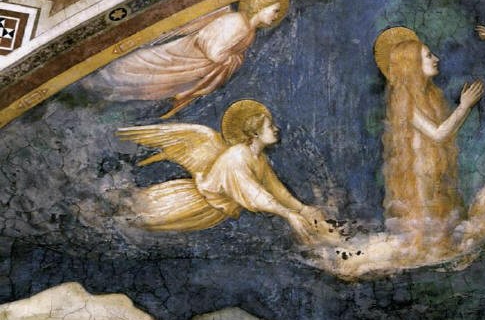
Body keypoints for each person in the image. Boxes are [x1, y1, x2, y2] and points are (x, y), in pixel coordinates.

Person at [117, 99, 331, 244]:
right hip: (188, 202)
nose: (276, 129)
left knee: (139, 227)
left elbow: (275, 190)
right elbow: (254, 194)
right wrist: (288, 214)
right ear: (255, 133)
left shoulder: (258, 158)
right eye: (270, 126)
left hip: (208, 213)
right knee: (131, 217)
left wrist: (302, 209)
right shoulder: (237, 156)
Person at [87, 0, 290, 118]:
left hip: (191, 69)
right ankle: (95, 85)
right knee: (135, 70)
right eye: (274, 10)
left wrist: (234, 58)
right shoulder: (236, 21)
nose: (276, 16)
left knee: (147, 87)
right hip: (179, 57)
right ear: (260, 5)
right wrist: (232, 58)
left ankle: (102, 97)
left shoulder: (250, 33)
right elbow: (212, 50)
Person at [373, 27, 484, 251]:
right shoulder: (405, 100)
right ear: (412, 64)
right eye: (428, 55)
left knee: (442, 225)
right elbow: (439, 134)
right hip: (419, 174)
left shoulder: (428, 96)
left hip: (433, 169)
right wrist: (464, 107)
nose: (436, 59)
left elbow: (443, 135)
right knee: (426, 230)